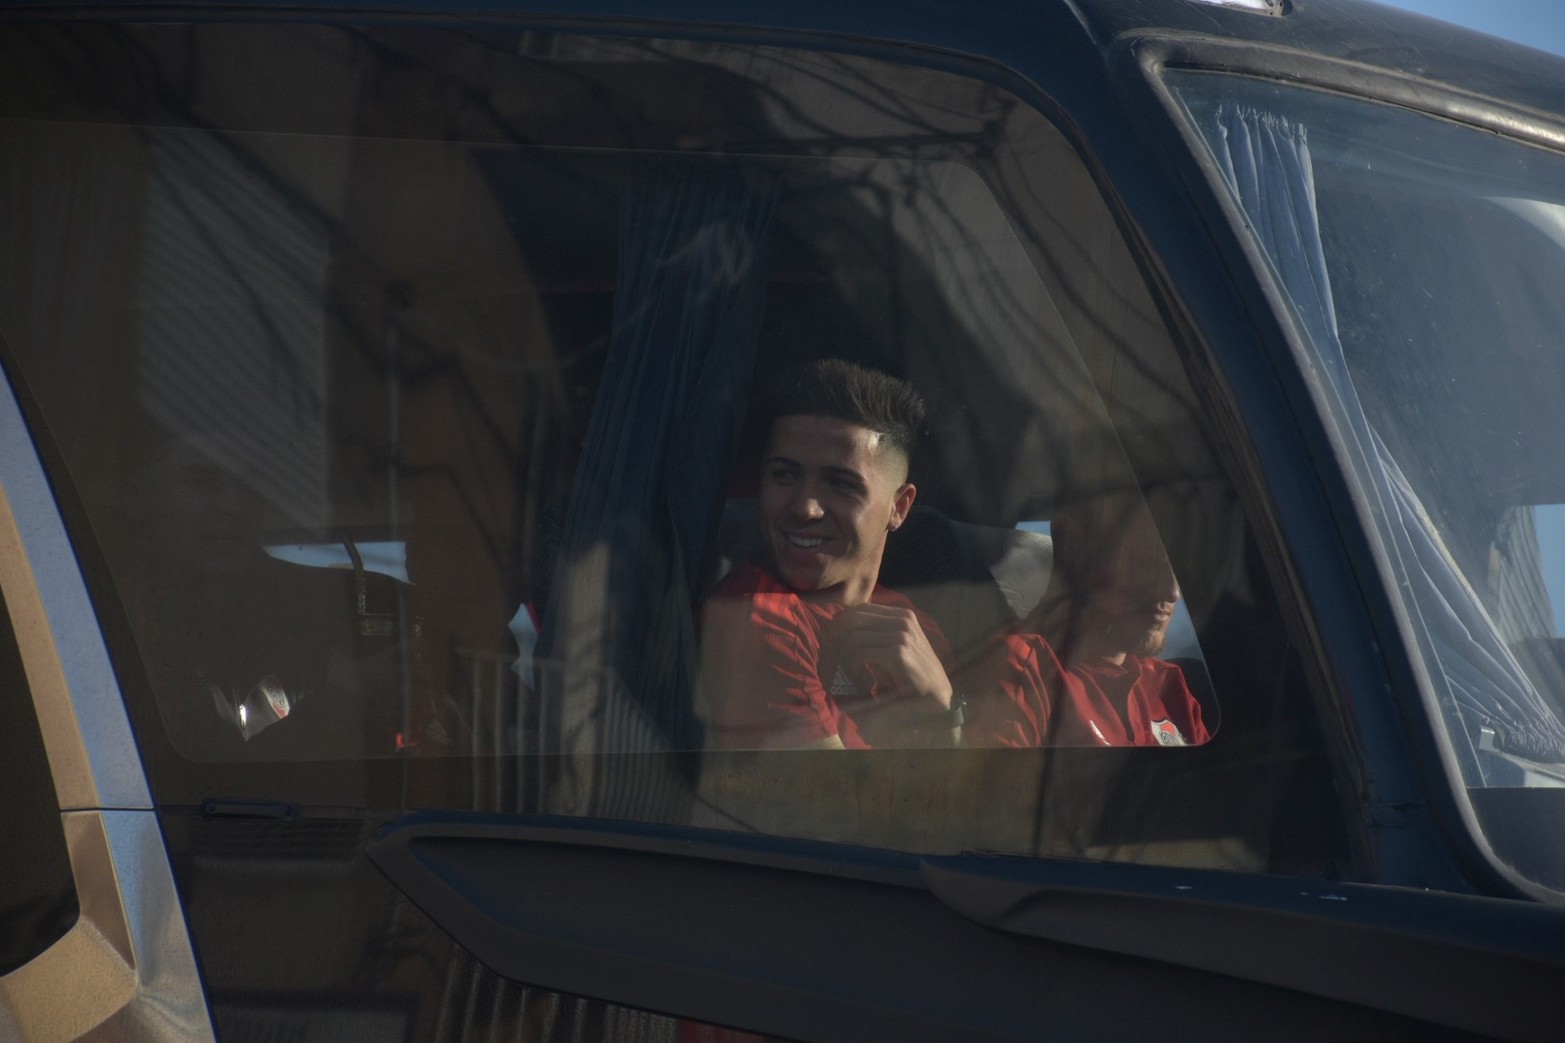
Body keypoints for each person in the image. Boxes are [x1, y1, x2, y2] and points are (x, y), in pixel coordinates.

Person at [698, 359, 959, 749]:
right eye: (784, 475)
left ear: (899, 507)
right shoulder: (757, 612)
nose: (805, 508)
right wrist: (942, 716)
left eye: (840, 484)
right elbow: (830, 791)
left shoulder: (913, 629)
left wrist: (941, 703)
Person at [964, 496, 1210, 747]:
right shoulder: (1025, 668)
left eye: (1181, 569)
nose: (1173, 592)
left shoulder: (1170, 688)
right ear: (1072, 544)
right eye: (1146, 562)